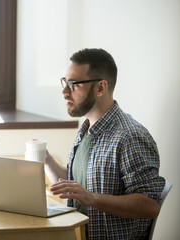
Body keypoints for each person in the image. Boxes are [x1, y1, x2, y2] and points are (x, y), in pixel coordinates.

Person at [45, 48, 165, 239]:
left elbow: (150, 206)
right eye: (65, 82)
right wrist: (47, 161)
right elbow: (76, 185)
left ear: (100, 88)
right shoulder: (86, 130)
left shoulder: (130, 137)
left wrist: (92, 198)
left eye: (74, 84)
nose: (65, 91)